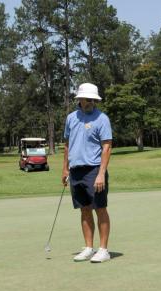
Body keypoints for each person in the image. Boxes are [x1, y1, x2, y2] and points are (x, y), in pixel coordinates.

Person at [62, 83, 113, 262]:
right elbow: (67, 144)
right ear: (80, 100)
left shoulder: (102, 119)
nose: (91, 102)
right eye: (88, 99)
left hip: (94, 169)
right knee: (84, 210)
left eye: (93, 99)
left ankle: (103, 249)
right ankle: (89, 247)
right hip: (76, 170)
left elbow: (106, 147)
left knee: (100, 208)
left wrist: (101, 173)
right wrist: (65, 168)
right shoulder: (71, 118)